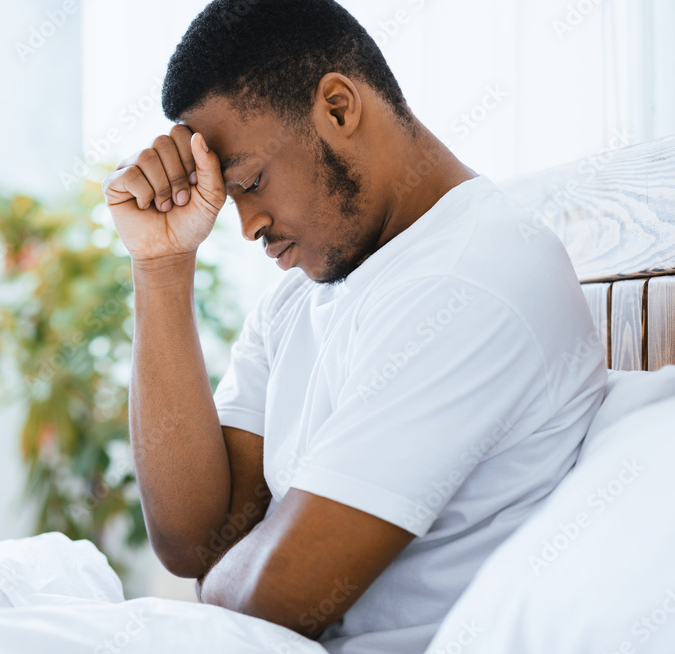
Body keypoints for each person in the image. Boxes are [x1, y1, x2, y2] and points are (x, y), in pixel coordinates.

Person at [100, 1, 607, 651]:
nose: (248, 226)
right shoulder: (301, 296)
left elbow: (271, 601)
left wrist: (230, 567)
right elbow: (192, 542)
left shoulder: (470, 278)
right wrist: (161, 264)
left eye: (250, 181)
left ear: (338, 109)